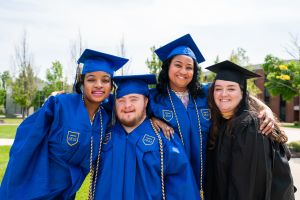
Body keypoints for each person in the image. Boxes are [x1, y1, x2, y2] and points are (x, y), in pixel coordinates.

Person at [148, 34, 276, 199]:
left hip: (211, 175)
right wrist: (151, 119)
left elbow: (242, 96)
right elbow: (129, 114)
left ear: (194, 71)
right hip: (173, 180)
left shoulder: (205, 92)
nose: (183, 71)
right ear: (167, 67)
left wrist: (267, 111)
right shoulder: (153, 98)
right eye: (178, 65)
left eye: (189, 67)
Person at [0, 49, 128, 199]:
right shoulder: (59, 105)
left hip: (66, 194)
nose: (99, 85)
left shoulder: (104, 117)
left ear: (111, 86)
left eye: (105, 80)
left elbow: (135, 103)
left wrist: (156, 117)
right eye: (91, 79)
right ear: (82, 82)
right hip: (37, 190)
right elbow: (27, 143)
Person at [95, 74, 199, 200]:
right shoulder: (102, 136)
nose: (127, 105)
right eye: (121, 100)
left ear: (146, 102)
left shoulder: (165, 139)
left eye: (134, 99)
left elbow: (183, 190)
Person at [205, 60, 295, 200]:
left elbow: (248, 188)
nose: (223, 94)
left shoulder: (251, 127)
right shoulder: (222, 122)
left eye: (231, 88)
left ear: (243, 94)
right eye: (218, 88)